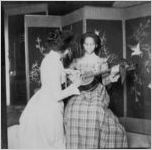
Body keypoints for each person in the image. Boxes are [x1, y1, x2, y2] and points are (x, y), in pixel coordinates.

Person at [8, 30, 81, 148]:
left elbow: (53, 76)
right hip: (49, 108)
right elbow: (57, 95)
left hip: (43, 100)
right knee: (53, 141)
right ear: (65, 49)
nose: (68, 52)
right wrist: (75, 86)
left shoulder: (50, 58)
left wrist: (68, 72)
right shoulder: (53, 63)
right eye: (68, 49)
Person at [64, 32, 128, 149]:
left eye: (92, 44)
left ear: (96, 45)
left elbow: (105, 82)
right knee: (73, 109)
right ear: (82, 45)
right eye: (86, 44)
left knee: (94, 111)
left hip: (97, 90)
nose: (89, 47)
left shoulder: (102, 61)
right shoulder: (76, 61)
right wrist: (73, 77)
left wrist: (113, 76)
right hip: (80, 90)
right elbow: (67, 77)